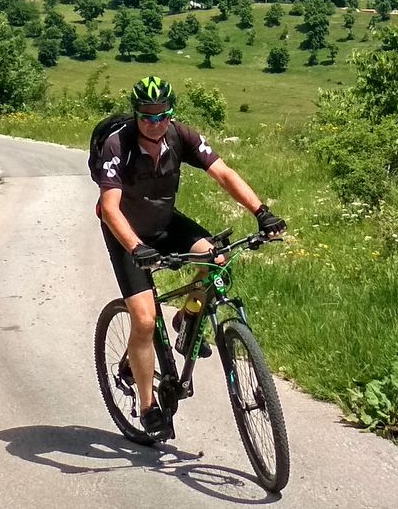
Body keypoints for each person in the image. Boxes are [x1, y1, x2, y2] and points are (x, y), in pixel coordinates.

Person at [90, 75, 286, 439]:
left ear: (171, 112)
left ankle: (185, 319)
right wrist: (137, 248)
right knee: (145, 319)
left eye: (162, 114)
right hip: (126, 234)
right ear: (136, 114)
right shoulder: (119, 144)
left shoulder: (181, 136)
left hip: (165, 223)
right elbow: (110, 207)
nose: (156, 122)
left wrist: (261, 212)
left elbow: (223, 173)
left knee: (215, 263)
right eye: (147, 115)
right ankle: (148, 406)